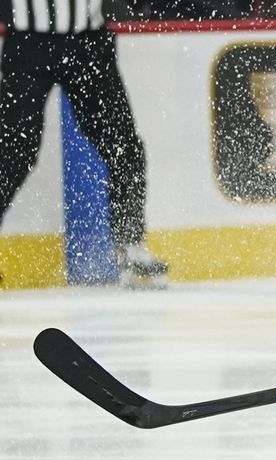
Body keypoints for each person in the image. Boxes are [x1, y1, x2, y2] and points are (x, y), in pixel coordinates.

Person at [0, 0, 168, 287]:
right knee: (15, 151)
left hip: (88, 42)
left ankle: (130, 246)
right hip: (28, 43)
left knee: (123, 146)